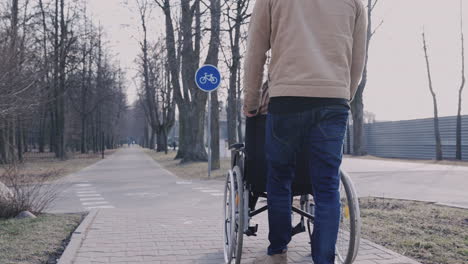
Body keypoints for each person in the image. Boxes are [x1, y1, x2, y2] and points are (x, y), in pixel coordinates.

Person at [243, 1, 368, 264]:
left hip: (287, 97)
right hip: (333, 99)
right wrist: (345, 96)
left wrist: (252, 102)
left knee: (278, 179)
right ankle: (324, 259)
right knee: (326, 186)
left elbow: (256, 50)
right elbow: (358, 59)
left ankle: (278, 252)